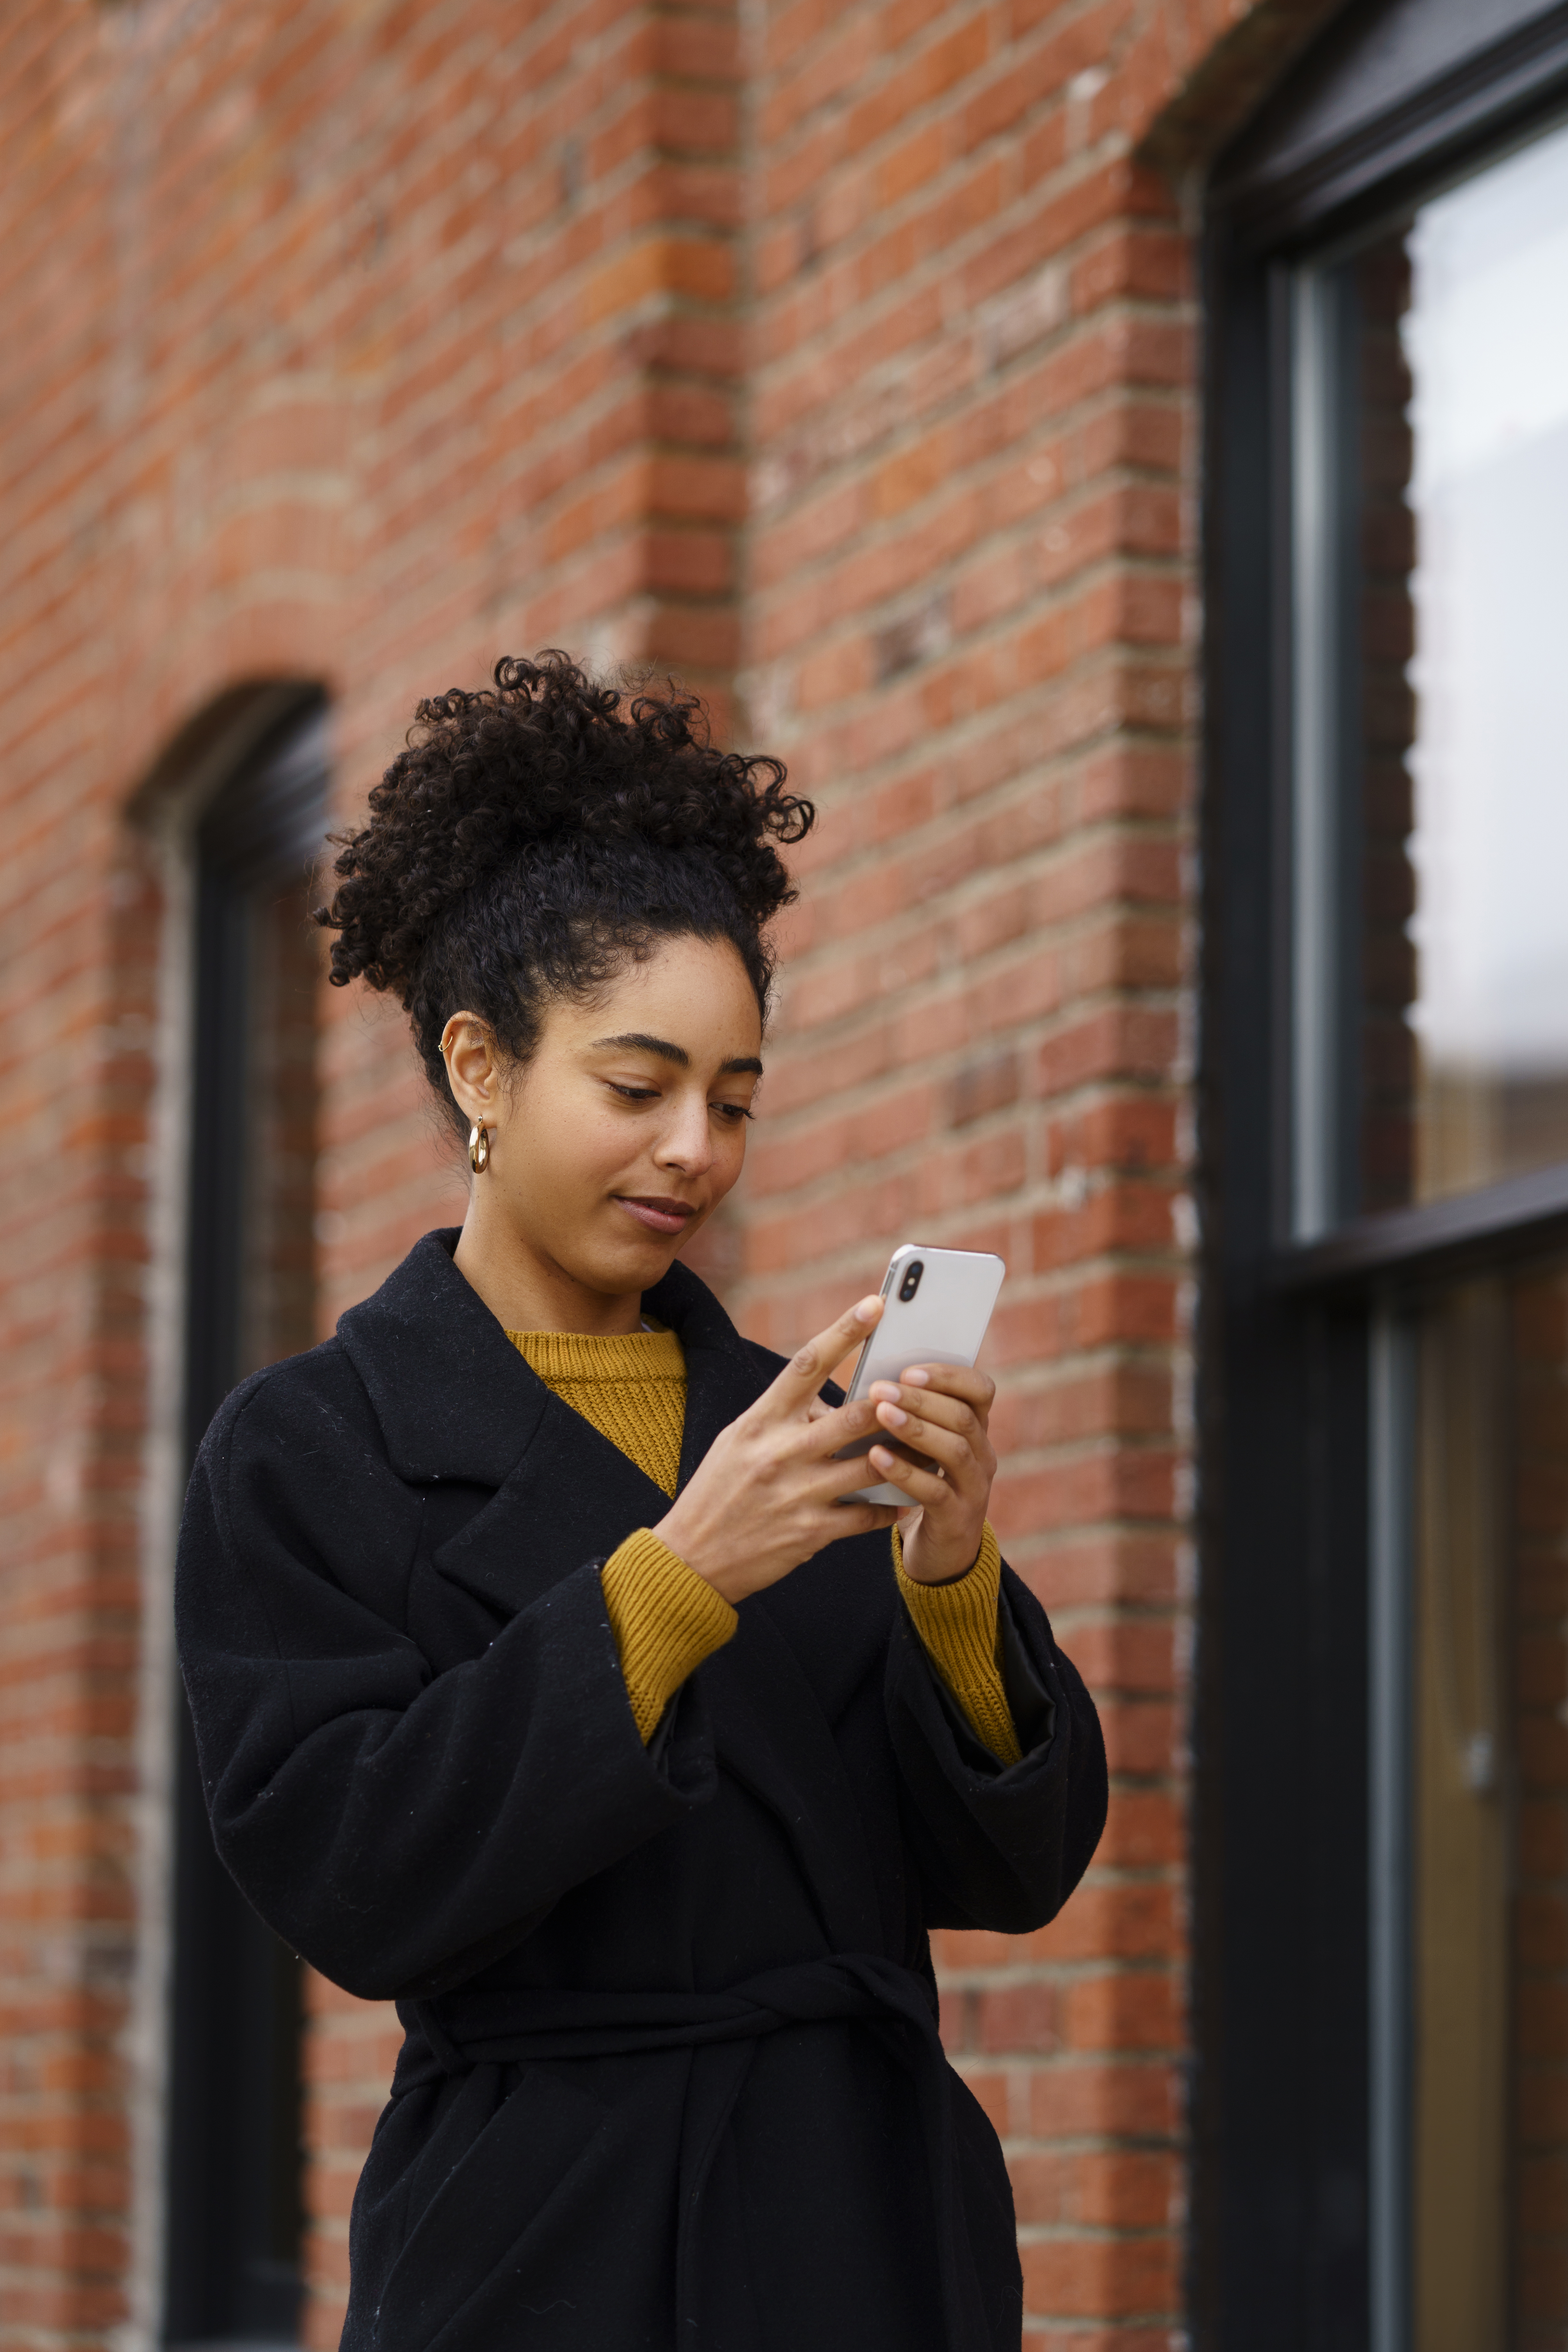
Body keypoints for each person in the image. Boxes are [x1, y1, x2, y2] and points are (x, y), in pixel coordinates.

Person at [175, 653, 1106, 2352]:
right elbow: (353, 1880)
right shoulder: (305, 1446)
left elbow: (1012, 1874)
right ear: (479, 1067)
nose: (696, 1149)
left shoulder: (792, 1418)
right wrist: (676, 1579)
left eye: (734, 1101)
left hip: (866, 2234)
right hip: (549, 2245)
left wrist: (952, 1578)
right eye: (636, 1086)